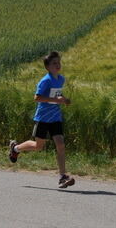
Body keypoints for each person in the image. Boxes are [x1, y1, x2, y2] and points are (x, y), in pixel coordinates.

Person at [8, 51, 75, 189]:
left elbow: (57, 94)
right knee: (38, 147)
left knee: (60, 144)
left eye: (58, 62)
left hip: (55, 117)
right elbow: (37, 97)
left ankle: (63, 176)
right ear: (47, 67)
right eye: (54, 63)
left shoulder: (60, 79)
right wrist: (55, 100)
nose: (58, 65)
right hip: (43, 118)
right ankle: (15, 148)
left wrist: (63, 99)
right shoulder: (45, 81)